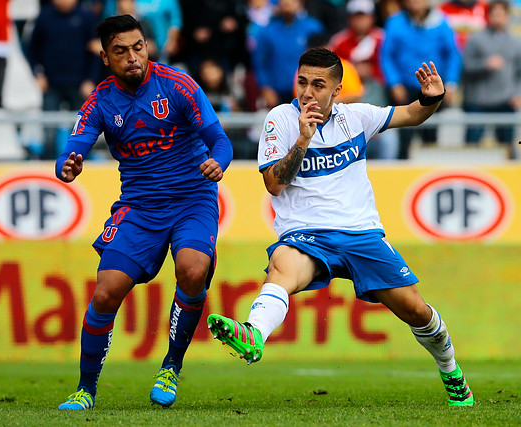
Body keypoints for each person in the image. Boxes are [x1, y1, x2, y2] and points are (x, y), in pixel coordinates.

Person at [207, 47, 473, 407]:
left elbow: (412, 114)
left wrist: (432, 96)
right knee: (282, 266)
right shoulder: (280, 120)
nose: (307, 92)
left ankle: (451, 369)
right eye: (302, 82)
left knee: (416, 311)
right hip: (307, 234)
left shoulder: (357, 117)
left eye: (318, 85)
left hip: (361, 233)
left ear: (336, 90)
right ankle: (254, 334)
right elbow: (274, 184)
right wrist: (303, 139)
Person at [55, 14, 233, 410]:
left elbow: (219, 140)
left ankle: (171, 365)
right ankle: (85, 389)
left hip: (192, 198)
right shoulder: (100, 99)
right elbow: (73, 146)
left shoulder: (178, 85)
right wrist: (69, 163)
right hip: (139, 207)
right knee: (105, 293)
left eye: (138, 47)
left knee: (192, 270)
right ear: (105, 57)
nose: (133, 57)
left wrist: (218, 162)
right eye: (121, 51)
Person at [381, 0, 461, 159]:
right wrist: (394, 83)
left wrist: (451, 83)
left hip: (433, 87)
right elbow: (387, 55)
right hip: (405, 87)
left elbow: (453, 54)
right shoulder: (395, 22)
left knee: (431, 135)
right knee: (404, 135)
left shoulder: (441, 21)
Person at [27, 0, 102, 159]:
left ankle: (83, 164)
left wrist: (91, 80)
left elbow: (96, 53)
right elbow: (31, 48)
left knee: (82, 132)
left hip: (79, 85)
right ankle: (49, 163)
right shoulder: (44, 16)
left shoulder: (86, 17)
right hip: (51, 84)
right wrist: (37, 74)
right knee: (49, 132)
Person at [461, 0, 521, 158]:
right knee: (472, 145)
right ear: (488, 16)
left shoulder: (516, 42)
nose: (498, 18)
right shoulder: (475, 39)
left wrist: (517, 93)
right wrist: (484, 64)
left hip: (505, 100)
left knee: (507, 146)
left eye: (501, 14)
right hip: (478, 100)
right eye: (494, 14)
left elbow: (519, 73)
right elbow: (465, 66)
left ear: (507, 16)